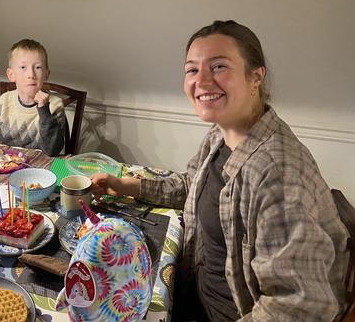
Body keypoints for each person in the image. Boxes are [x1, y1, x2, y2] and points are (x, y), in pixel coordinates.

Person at [90, 20, 348, 322]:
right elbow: (192, 185)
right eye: (192, 69)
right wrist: (126, 186)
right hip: (192, 287)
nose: (202, 80)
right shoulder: (222, 133)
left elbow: (300, 305)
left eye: (219, 67)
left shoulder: (277, 172)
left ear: (256, 77)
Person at [0, 39, 65, 156]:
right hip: (4, 165)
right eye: (23, 67)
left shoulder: (55, 105)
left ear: (46, 74)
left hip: (38, 169)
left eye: (38, 67)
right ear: (11, 75)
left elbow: (52, 150)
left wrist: (44, 110)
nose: (31, 75)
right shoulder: (5, 100)